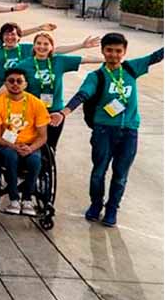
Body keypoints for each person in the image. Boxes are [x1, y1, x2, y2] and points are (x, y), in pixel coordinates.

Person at [58, 34, 162, 226]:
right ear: (103, 51)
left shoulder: (131, 68)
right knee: (99, 171)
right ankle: (96, 204)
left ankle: (112, 209)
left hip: (129, 131)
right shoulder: (96, 76)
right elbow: (83, 94)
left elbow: (156, 57)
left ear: (124, 52)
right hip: (104, 131)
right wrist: (65, 112)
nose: (113, 55)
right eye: (109, 50)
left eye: (118, 51)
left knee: (121, 174)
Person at [0, 68, 50, 216]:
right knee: (11, 156)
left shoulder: (37, 104)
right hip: (6, 144)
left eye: (19, 81)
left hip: (30, 144)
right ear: (5, 84)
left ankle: (27, 199)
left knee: (35, 161)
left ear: (25, 84)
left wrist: (30, 148)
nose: (15, 84)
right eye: (11, 81)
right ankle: (14, 198)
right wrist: (14, 146)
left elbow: (42, 136)